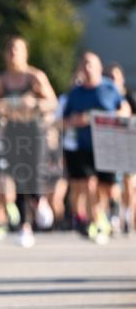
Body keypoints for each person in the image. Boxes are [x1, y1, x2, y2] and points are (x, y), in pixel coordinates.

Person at [0, 36, 57, 247]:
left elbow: (52, 103)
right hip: (12, 132)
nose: (14, 54)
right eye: (10, 50)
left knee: (34, 171)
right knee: (18, 178)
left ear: (26, 53)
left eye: (18, 49)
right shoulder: (0, 82)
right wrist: (4, 106)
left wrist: (33, 103)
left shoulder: (35, 77)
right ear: (6, 55)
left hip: (34, 131)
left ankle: (39, 200)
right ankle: (25, 226)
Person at [63, 52, 130, 243]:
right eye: (83, 64)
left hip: (108, 145)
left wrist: (112, 116)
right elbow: (64, 120)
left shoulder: (110, 88)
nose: (87, 68)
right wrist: (76, 121)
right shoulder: (75, 94)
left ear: (100, 68)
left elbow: (124, 109)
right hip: (84, 146)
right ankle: (97, 221)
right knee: (89, 183)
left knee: (106, 188)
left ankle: (112, 211)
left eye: (91, 64)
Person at [106, 63, 135, 234]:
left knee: (129, 183)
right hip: (111, 146)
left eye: (115, 76)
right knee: (113, 182)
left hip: (130, 145)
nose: (112, 80)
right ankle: (116, 215)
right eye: (109, 77)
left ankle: (128, 214)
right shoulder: (105, 96)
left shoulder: (129, 97)